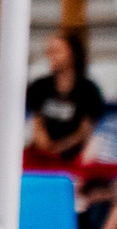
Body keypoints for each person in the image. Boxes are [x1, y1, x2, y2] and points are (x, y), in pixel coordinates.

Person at [28, 28, 104, 163]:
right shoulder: (40, 86)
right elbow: (35, 120)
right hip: (42, 152)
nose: (51, 56)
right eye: (49, 52)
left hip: (73, 154)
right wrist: (43, 141)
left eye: (56, 51)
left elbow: (85, 130)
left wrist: (61, 147)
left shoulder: (88, 90)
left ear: (73, 54)